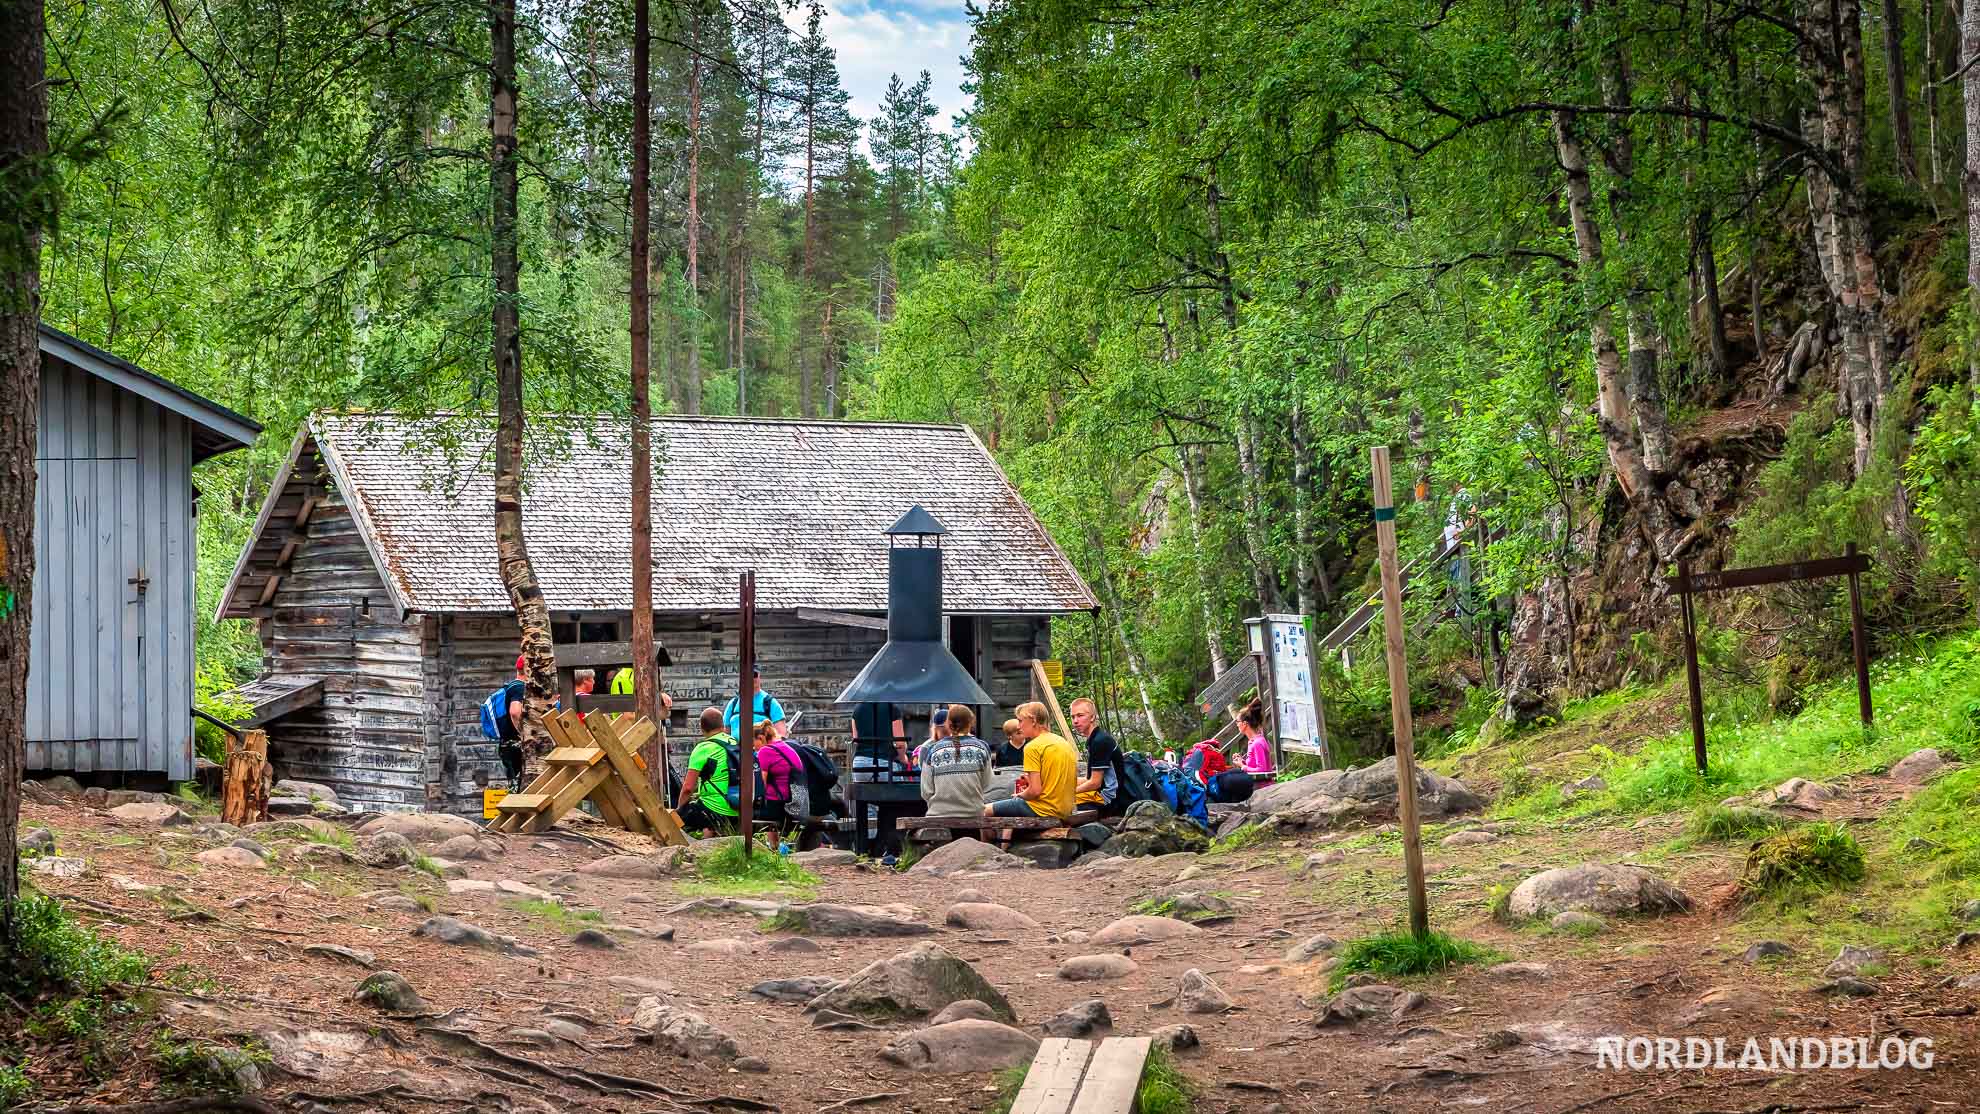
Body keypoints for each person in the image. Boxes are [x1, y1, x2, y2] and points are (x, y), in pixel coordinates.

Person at [983, 702, 1077, 822]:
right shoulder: (1062, 742)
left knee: (984, 810)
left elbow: (1035, 791)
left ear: (1033, 721)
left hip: (1043, 809)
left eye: (1021, 721)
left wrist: (1020, 795)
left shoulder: (1032, 747)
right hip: (1065, 809)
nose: (1019, 726)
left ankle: (989, 841)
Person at [676, 707, 740, 835]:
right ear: (722, 725)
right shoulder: (735, 743)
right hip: (738, 808)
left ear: (702, 728)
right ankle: (709, 838)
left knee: (677, 819)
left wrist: (679, 811)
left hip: (714, 811)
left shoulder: (704, 748)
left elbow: (688, 788)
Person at [921, 704, 991, 816]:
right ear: (971, 723)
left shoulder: (933, 750)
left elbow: (926, 791)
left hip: (939, 814)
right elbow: (987, 784)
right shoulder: (982, 748)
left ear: (948, 724)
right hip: (973, 813)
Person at [1070, 697, 1127, 817]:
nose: (1075, 721)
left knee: (1061, 804)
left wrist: (1068, 793)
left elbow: (1095, 783)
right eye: (1073, 716)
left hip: (1108, 799)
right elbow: (1088, 779)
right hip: (1098, 794)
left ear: (1092, 717)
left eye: (1080, 715)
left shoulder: (1100, 741)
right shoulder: (1094, 739)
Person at [754, 720, 809, 829]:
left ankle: (771, 845)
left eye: (753, 742)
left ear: (760, 738)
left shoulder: (765, 751)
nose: (753, 747)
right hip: (793, 799)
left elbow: (761, 783)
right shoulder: (783, 745)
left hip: (778, 802)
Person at [722, 668, 787, 738]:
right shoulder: (733, 704)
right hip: (735, 748)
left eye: (754, 675)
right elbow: (725, 733)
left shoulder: (770, 703)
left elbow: (781, 735)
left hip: (762, 748)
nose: (752, 678)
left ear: (759, 677)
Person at [1236, 699, 1275, 778]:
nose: (1236, 724)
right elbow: (1254, 765)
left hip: (1263, 788)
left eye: (1237, 721)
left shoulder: (1257, 743)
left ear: (1244, 723)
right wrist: (1241, 761)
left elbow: (1262, 770)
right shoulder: (1253, 741)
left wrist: (1243, 767)